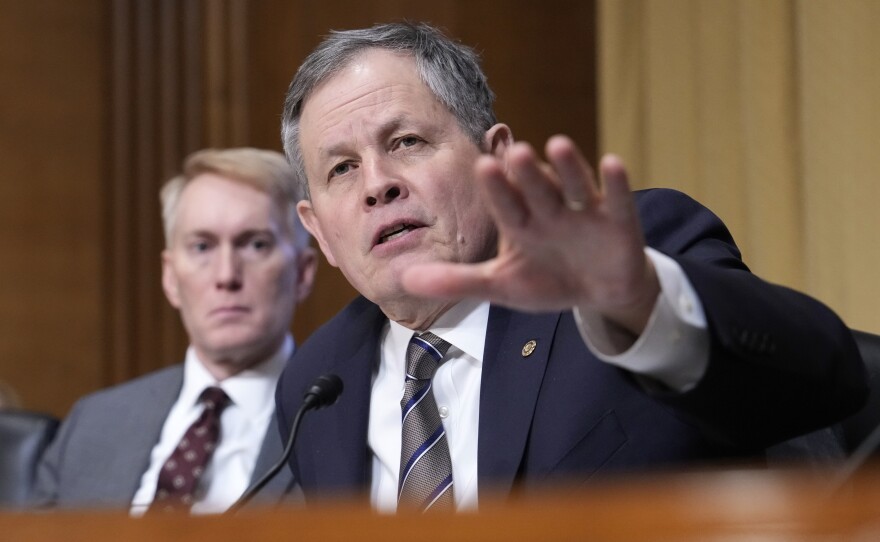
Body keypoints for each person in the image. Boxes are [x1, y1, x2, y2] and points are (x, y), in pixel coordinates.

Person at [275, 22, 867, 512]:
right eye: (342, 169)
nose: (377, 184)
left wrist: (641, 304)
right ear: (317, 230)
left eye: (406, 141)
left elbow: (819, 384)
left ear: (497, 159)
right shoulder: (318, 384)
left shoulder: (631, 260)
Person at [33, 148, 317, 514]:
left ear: (303, 273)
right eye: (202, 247)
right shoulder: (92, 424)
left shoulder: (343, 425)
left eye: (255, 244)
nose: (226, 275)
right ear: (170, 277)